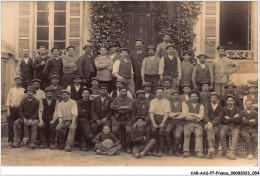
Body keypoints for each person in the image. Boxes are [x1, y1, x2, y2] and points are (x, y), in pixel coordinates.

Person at [149, 87, 171, 157]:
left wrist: (163, 123)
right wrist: (153, 123)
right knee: (153, 131)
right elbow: (151, 113)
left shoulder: (166, 101)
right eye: (158, 93)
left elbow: (166, 113)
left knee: (161, 132)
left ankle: (160, 150)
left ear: (163, 93)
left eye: (161, 92)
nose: (159, 94)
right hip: (154, 118)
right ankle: (154, 149)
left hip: (163, 118)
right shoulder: (153, 101)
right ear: (155, 94)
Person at [110, 88, 133, 154]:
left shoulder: (129, 99)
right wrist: (123, 107)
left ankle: (128, 146)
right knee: (114, 130)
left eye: (124, 91)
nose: (123, 93)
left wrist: (118, 108)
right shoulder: (115, 99)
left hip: (126, 119)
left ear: (126, 92)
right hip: (117, 119)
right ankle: (116, 145)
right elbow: (112, 106)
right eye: (121, 91)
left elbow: (130, 108)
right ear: (119, 92)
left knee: (129, 131)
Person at [183, 90, 204, 158]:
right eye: (192, 96)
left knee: (199, 135)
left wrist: (192, 114)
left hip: (198, 124)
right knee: (186, 134)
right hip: (188, 124)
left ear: (198, 97)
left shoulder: (201, 106)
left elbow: (201, 116)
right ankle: (186, 151)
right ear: (189, 97)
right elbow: (186, 115)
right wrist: (196, 116)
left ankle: (198, 152)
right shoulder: (186, 105)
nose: (194, 98)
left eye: (195, 96)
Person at [165, 90, 186, 156]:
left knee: (177, 135)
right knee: (167, 131)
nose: (175, 97)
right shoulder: (169, 103)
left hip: (180, 122)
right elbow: (168, 114)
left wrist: (177, 117)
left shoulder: (183, 103)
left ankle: (175, 149)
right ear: (172, 96)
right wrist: (179, 113)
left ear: (179, 96)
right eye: (174, 95)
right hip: (171, 121)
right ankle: (170, 148)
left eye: (177, 95)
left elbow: (185, 113)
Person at [220, 95, 241, 160]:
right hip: (226, 125)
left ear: (234, 102)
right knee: (221, 134)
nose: (230, 102)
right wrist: (234, 117)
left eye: (231, 101)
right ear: (226, 101)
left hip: (235, 125)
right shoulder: (224, 109)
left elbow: (238, 120)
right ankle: (226, 151)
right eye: (228, 101)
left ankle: (232, 152)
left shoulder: (237, 109)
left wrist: (229, 118)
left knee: (235, 134)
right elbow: (222, 119)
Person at [5, 76, 25, 145]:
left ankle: (21, 140)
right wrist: (8, 111)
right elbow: (8, 101)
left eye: (20, 80)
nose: (18, 81)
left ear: (21, 82)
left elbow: (24, 102)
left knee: (21, 124)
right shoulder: (11, 90)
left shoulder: (23, 90)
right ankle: (11, 140)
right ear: (15, 81)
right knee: (10, 125)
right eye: (17, 80)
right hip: (12, 108)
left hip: (20, 109)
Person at [203, 92, 223, 159]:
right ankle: (212, 148)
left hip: (217, 124)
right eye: (212, 98)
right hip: (207, 123)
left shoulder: (220, 108)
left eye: (215, 98)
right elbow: (205, 115)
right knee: (209, 129)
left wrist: (212, 123)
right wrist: (208, 122)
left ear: (217, 99)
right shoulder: (207, 106)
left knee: (215, 131)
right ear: (210, 99)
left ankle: (212, 148)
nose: (213, 99)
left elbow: (219, 118)